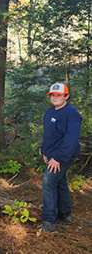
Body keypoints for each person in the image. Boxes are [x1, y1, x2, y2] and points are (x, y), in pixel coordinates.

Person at [41, 83, 82, 232]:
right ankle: (65, 215)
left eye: (59, 95)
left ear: (66, 96)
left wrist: (57, 158)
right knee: (60, 182)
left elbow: (70, 140)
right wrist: (44, 152)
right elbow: (48, 135)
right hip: (52, 155)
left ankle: (48, 222)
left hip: (63, 156)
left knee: (48, 182)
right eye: (53, 95)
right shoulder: (51, 111)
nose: (55, 97)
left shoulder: (71, 114)